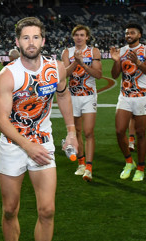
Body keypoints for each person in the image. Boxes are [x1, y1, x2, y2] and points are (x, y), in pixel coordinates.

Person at [0, 17, 77, 241]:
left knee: (47, 210)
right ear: (18, 42)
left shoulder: (56, 69)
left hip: (43, 144)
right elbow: (2, 121)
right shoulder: (9, 74)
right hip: (13, 145)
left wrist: (72, 131)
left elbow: (63, 96)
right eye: (26, 38)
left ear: (43, 41)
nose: (31, 42)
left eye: (36, 37)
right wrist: (27, 146)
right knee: (10, 209)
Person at [110, 23, 146, 181]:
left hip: (141, 96)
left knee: (141, 134)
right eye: (127, 33)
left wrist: (138, 62)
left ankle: (141, 168)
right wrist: (116, 61)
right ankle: (129, 162)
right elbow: (115, 75)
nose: (129, 35)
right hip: (125, 96)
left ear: (139, 35)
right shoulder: (121, 51)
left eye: (132, 33)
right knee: (119, 131)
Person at [61, 25, 102, 182]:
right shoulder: (67, 52)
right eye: (76, 35)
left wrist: (83, 64)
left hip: (89, 96)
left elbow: (98, 75)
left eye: (82, 35)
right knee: (76, 131)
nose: (79, 37)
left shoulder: (94, 52)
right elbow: (64, 74)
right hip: (72, 97)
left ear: (87, 37)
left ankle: (89, 168)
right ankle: (81, 163)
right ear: (73, 37)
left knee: (88, 132)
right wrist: (75, 63)